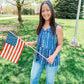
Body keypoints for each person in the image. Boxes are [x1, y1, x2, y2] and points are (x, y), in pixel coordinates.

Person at [25, 1, 63, 84]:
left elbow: (60, 44)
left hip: (51, 58)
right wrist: (32, 43)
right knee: (33, 77)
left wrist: (53, 56)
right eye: (43, 11)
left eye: (47, 10)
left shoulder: (58, 28)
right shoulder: (39, 27)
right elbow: (40, 41)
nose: (45, 13)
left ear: (52, 11)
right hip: (39, 55)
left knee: (49, 81)